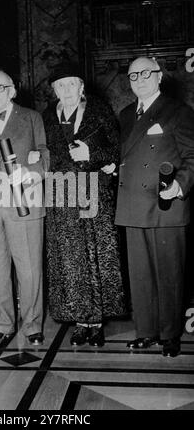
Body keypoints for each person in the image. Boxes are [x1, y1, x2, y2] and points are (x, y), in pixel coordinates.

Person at [115, 56, 194, 357]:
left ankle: (170, 334)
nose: (139, 79)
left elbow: (193, 157)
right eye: (133, 75)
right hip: (133, 204)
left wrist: (180, 184)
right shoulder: (124, 115)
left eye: (146, 73)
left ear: (159, 76)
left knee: (170, 274)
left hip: (165, 205)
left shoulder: (178, 111)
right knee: (140, 275)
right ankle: (145, 331)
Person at [43, 62, 126, 346]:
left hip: (93, 188)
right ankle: (80, 320)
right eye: (60, 86)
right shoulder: (46, 116)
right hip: (60, 192)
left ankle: (97, 321)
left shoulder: (99, 110)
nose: (66, 90)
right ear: (55, 91)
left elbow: (116, 149)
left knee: (95, 255)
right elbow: (42, 152)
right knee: (70, 258)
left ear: (81, 87)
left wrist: (92, 153)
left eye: (71, 84)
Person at [0, 69, 49, 345]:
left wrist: (29, 171)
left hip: (23, 202)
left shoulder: (31, 117)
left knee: (29, 268)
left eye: (0, 88)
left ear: (12, 90)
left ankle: (32, 324)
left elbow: (45, 155)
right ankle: (3, 323)